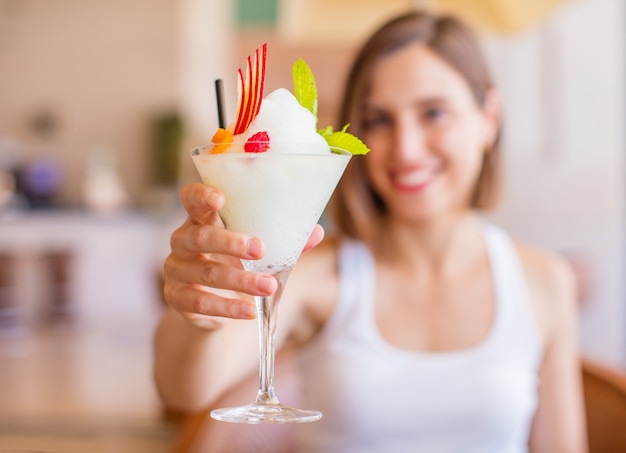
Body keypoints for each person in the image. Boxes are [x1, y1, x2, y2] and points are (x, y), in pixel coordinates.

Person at [154, 10, 588, 453]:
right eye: (379, 120)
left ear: (488, 117)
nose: (406, 148)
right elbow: (182, 390)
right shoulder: (318, 274)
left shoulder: (546, 280)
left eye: (434, 113)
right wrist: (198, 317)